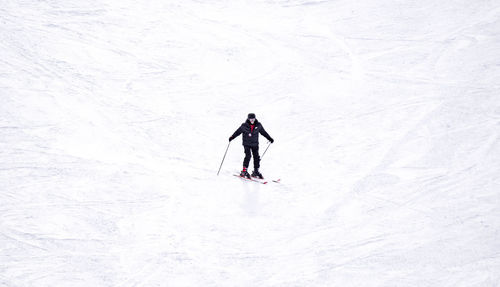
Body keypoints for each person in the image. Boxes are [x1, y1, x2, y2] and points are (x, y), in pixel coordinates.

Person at [229, 113, 274, 179]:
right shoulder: (244, 126)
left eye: (253, 119)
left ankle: (256, 171)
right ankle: (244, 171)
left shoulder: (258, 125)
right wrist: (232, 137)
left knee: (256, 157)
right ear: (248, 119)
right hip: (246, 144)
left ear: (255, 119)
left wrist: (269, 138)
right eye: (250, 119)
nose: (252, 120)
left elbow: (264, 132)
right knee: (248, 155)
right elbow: (237, 132)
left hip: (255, 144)